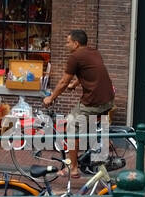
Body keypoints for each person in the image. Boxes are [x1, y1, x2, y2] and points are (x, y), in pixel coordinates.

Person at [43, 29, 114, 177]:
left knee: (70, 124)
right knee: (83, 123)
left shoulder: (75, 57)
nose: (66, 44)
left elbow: (63, 82)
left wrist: (51, 98)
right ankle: (100, 144)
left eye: (68, 42)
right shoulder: (93, 52)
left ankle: (73, 168)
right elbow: (88, 73)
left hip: (95, 102)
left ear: (76, 43)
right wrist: (75, 84)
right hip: (108, 99)